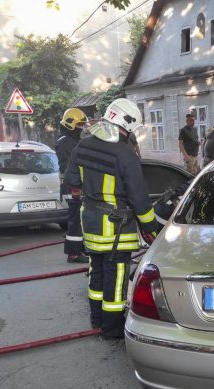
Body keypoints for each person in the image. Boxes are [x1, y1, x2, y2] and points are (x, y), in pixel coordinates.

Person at [65, 99, 158, 339]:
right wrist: (152, 228)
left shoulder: (82, 146)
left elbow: (72, 182)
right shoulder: (125, 154)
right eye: (130, 130)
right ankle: (111, 328)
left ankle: (96, 320)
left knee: (96, 271)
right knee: (116, 279)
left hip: (91, 223)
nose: (129, 134)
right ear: (124, 124)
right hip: (116, 228)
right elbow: (139, 198)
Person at [56, 108, 89, 264]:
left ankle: (80, 248)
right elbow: (68, 167)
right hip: (72, 187)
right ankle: (73, 254)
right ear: (70, 124)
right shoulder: (64, 142)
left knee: (80, 219)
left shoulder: (74, 140)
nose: (81, 128)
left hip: (78, 186)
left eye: (82, 125)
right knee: (75, 220)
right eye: (79, 125)